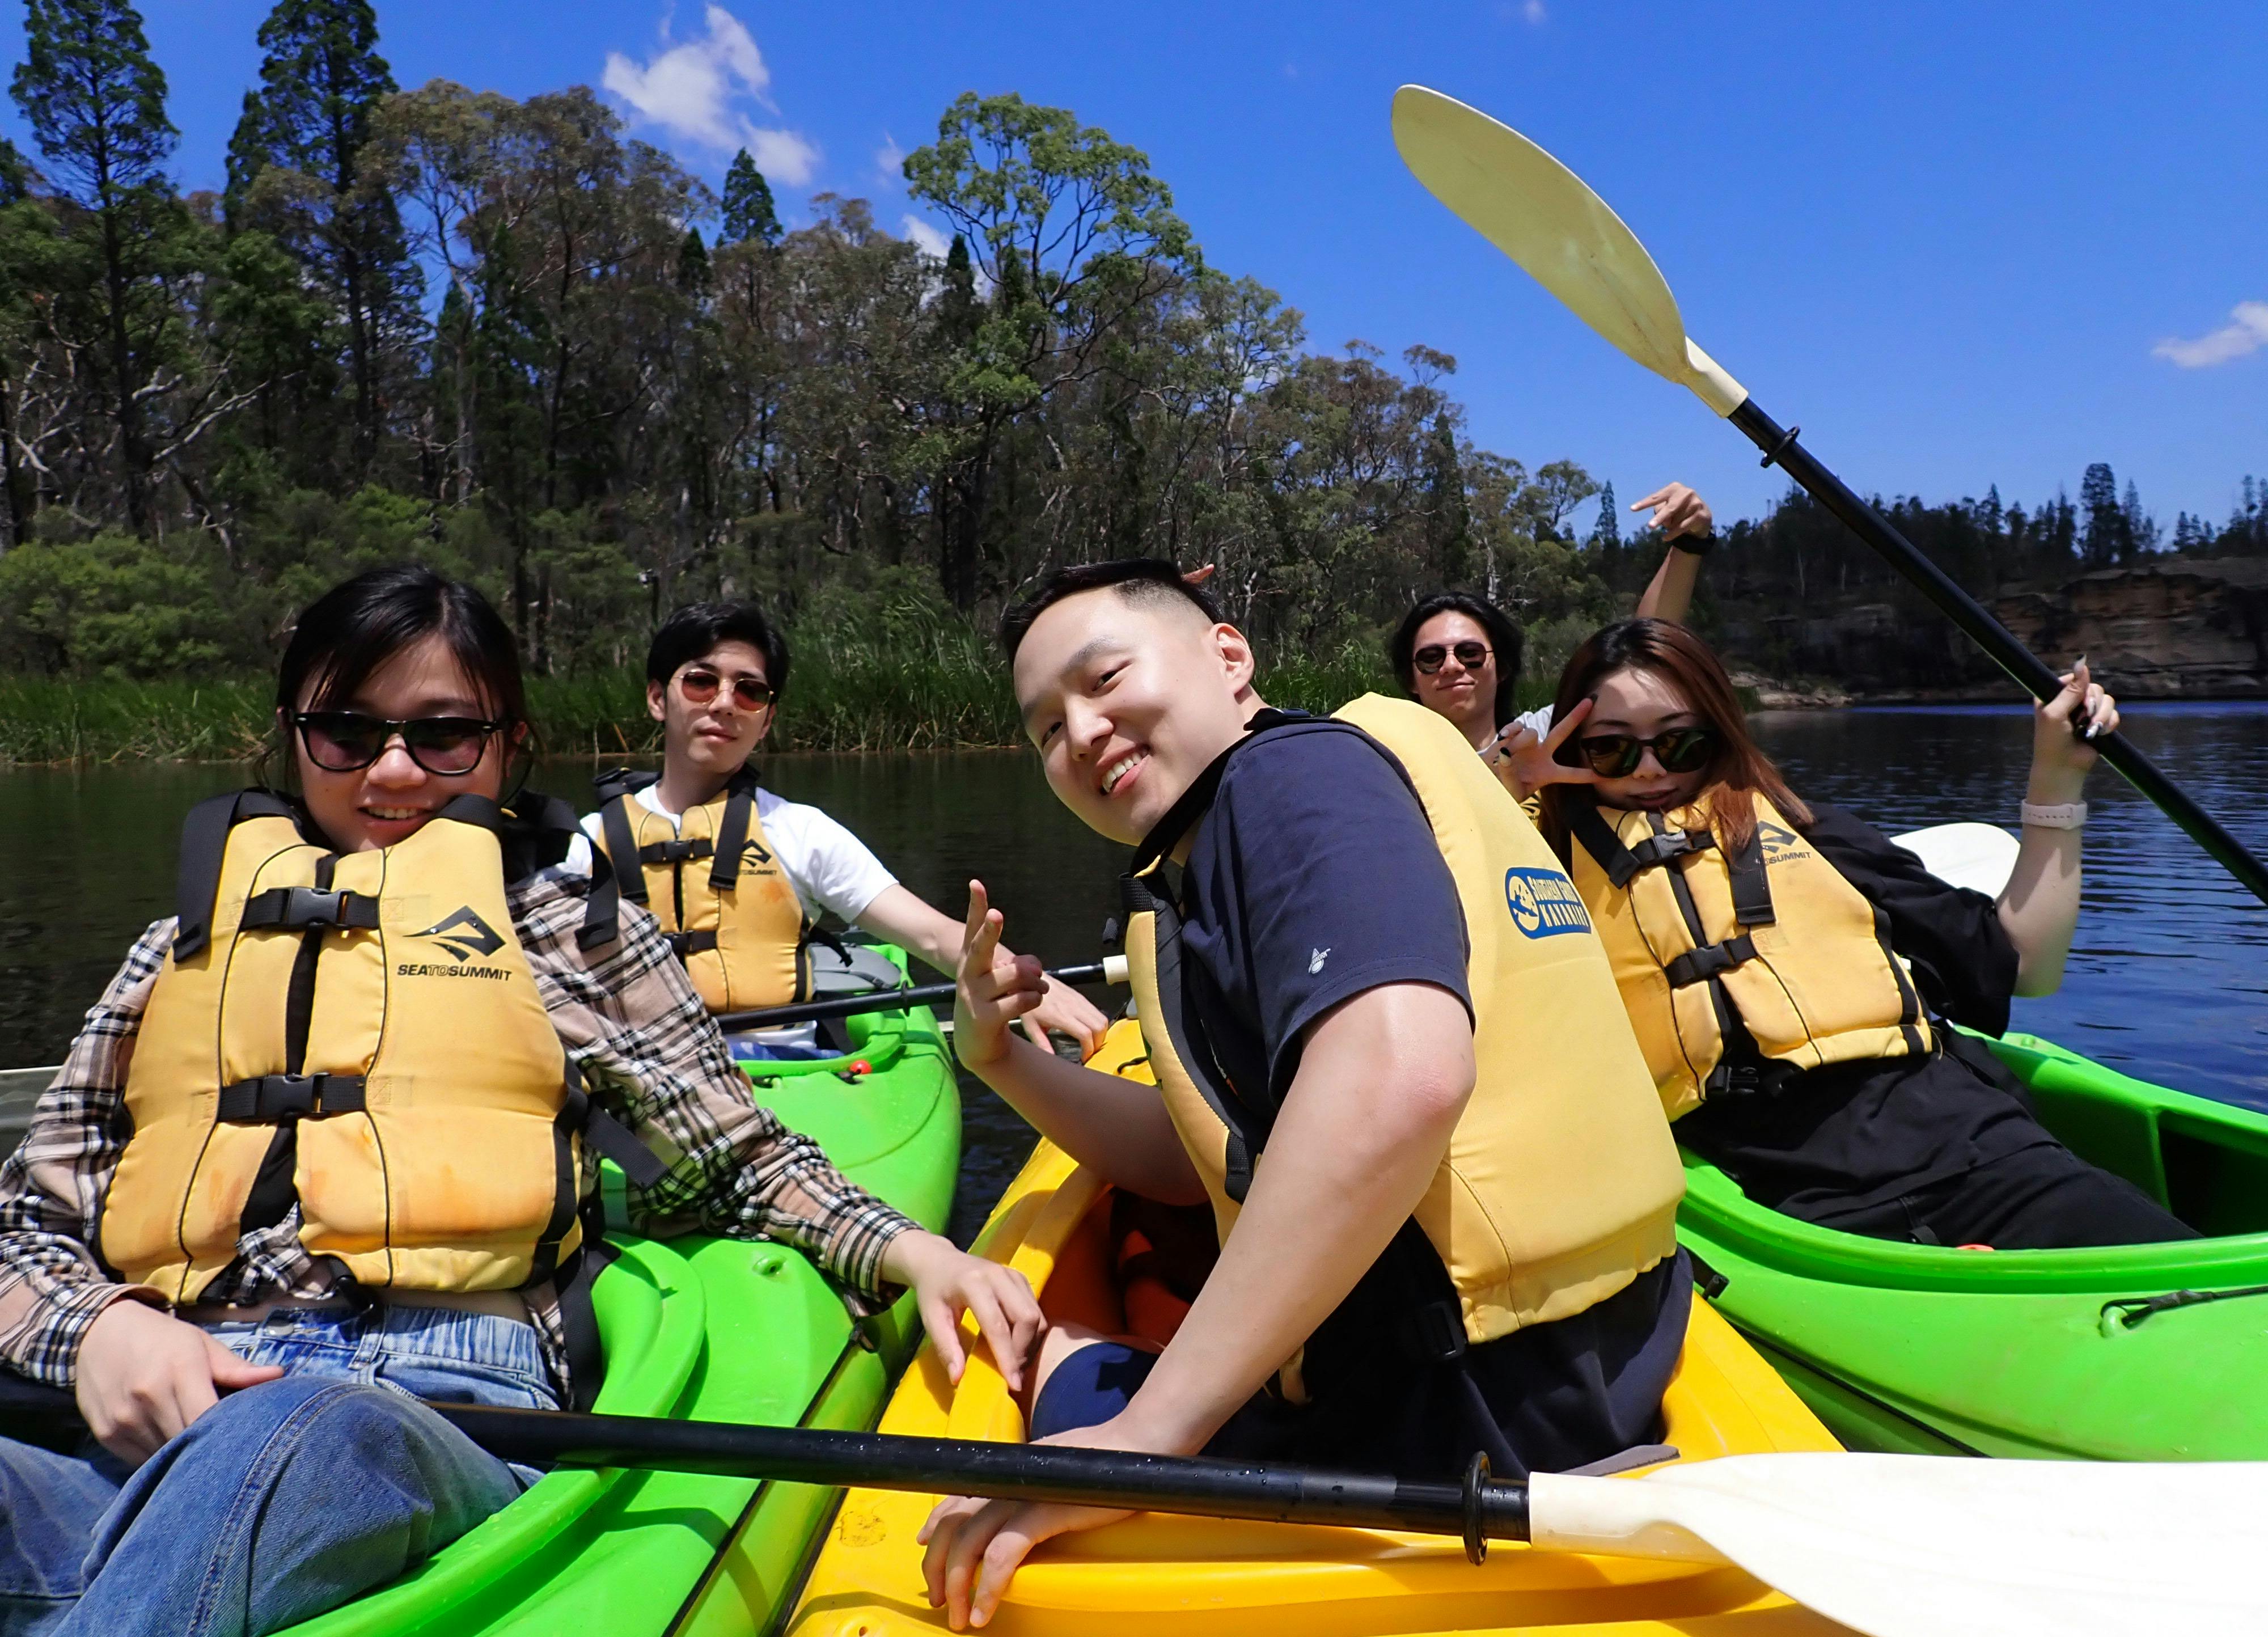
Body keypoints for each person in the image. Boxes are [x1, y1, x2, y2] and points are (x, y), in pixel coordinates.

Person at [0, 566, 1042, 1637]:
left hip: (432, 1416)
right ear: (291, 735)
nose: (393, 770)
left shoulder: (571, 930)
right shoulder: (176, 947)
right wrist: (101, 1331)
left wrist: (919, 1252)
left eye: (444, 735)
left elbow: (740, 1165)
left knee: (299, 1429)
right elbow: (26, 1224)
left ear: (508, 747)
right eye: (345, 733)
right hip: (151, 1418)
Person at [916, 560, 1691, 1630]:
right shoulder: (1237, 833)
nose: (1081, 733)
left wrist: (1148, 1438)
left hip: (1444, 1425)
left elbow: (1400, 1077)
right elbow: (1196, 1163)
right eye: (1046, 727)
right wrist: (1000, 1061)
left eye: (1105, 680)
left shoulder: (1283, 785)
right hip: (1573, 1379)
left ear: (1228, 657)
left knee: (1060, 1356)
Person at [1520, 616, 2196, 1250]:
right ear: (1571, 748)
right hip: (1781, 1201)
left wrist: (2057, 775)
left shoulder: (1813, 837)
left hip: (1974, 1148)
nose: (1649, 770)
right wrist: (1507, 783)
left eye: (1678, 741)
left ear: (1719, 733)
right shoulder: (1539, 875)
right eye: (1610, 748)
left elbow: (2027, 967)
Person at [569, 601, 1107, 1060]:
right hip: (641, 1069)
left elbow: (929, 934)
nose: (725, 703)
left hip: (782, 1067)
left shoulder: (799, 831)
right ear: (659, 698)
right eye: (701, 681)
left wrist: (1035, 985)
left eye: (750, 691)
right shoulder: (587, 844)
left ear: (768, 721)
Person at [1394, 483, 1717, 786]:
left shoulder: (1543, 737)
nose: (1452, 666)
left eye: (1470, 654)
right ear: (1411, 678)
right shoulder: (1389, 769)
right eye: (1431, 658)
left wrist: (1688, 545)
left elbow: (1644, 650)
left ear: (1502, 667)